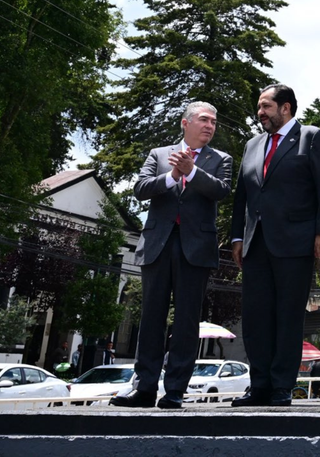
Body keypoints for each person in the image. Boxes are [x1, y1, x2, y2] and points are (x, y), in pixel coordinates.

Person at [111, 101, 232, 410]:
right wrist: (172, 176)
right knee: (151, 318)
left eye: (213, 122)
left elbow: (221, 190)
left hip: (196, 248)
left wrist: (192, 172)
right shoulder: (159, 154)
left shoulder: (221, 159)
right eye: (204, 120)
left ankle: (175, 390)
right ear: (185, 123)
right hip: (158, 244)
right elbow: (140, 189)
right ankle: (143, 389)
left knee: (187, 322)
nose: (210, 126)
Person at [230, 84, 320, 407]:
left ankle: (281, 387)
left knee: (288, 317)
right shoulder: (252, 145)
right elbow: (242, 196)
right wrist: (237, 237)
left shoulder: (311, 137)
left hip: (295, 242)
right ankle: (259, 386)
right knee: (256, 318)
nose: (260, 112)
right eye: (259, 107)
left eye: (266, 106)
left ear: (286, 107)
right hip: (255, 244)